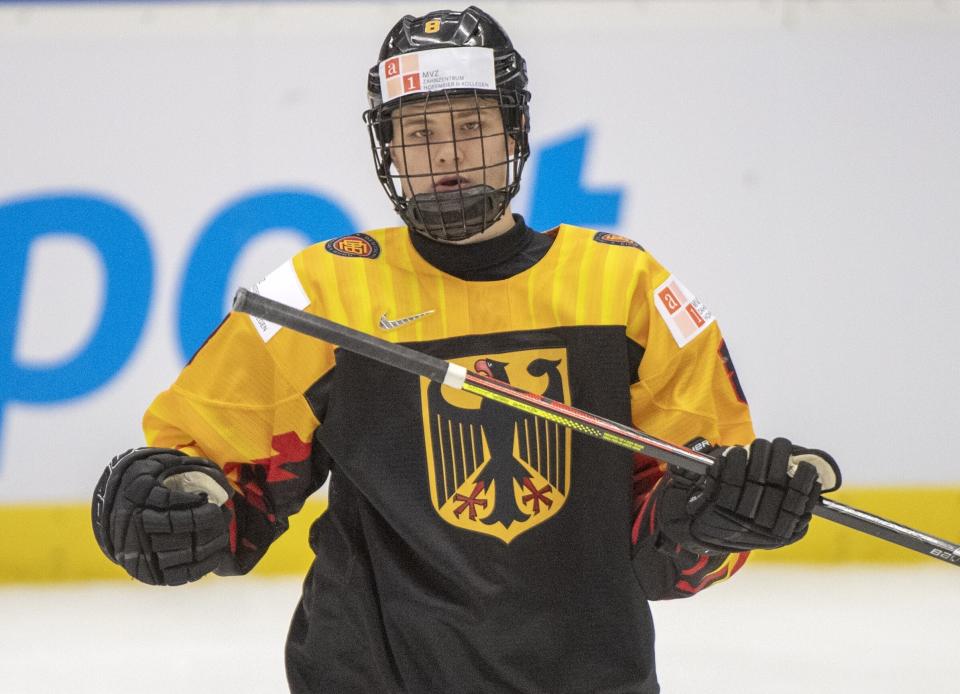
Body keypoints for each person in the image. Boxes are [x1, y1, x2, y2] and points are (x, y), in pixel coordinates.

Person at [91, 6, 841, 693]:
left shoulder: (624, 288)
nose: (446, 154)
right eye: (418, 133)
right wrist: (167, 502)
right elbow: (220, 484)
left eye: (471, 126)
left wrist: (723, 516)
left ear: (515, 134)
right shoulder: (323, 296)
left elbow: (667, 545)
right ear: (386, 148)